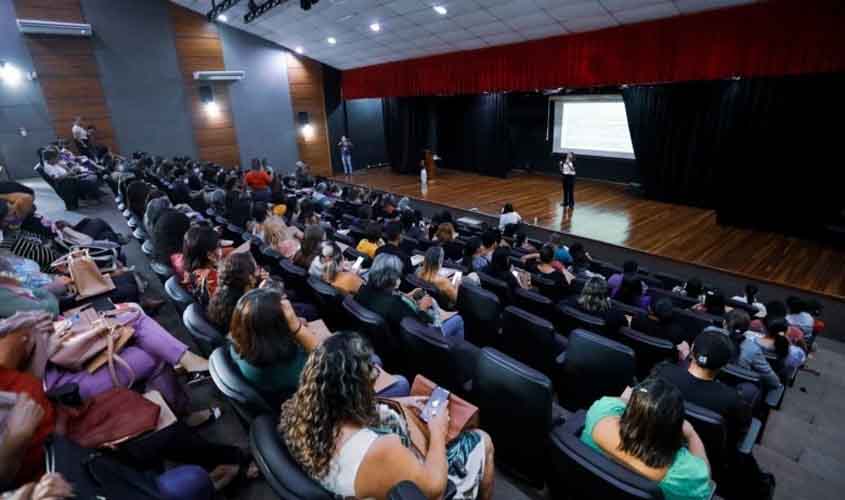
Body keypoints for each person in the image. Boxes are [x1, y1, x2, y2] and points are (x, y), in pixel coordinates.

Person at [279, 332, 495, 500]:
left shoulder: (300, 410)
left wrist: (402, 402)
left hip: (351, 485)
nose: (376, 374)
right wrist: (437, 430)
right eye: (371, 375)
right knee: (481, 439)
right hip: (420, 488)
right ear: (356, 390)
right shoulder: (382, 449)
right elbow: (434, 490)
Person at [581, 377, 713, 500]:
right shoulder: (684, 474)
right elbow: (705, 480)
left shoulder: (600, 412)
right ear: (674, 426)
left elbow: (618, 400)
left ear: (629, 408)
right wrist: (691, 434)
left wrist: (640, 401)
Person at [654, 330, 752, 444]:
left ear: (691, 350)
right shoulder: (732, 400)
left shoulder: (662, 372)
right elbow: (740, 430)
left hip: (659, 439)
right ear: (725, 365)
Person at [356, 253, 464, 339]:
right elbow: (418, 328)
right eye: (397, 275)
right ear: (392, 278)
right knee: (458, 320)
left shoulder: (362, 290)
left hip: (376, 337)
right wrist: (422, 308)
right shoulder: (396, 306)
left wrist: (408, 295)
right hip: (412, 342)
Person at [207, 252, 262, 331]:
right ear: (250, 278)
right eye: (256, 268)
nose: (258, 271)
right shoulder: (248, 311)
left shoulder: (219, 296)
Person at [732, 309, 784, 390]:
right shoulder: (753, 348)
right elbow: (773, 381)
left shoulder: (711, 334)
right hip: (741, 387)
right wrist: (779, 385)